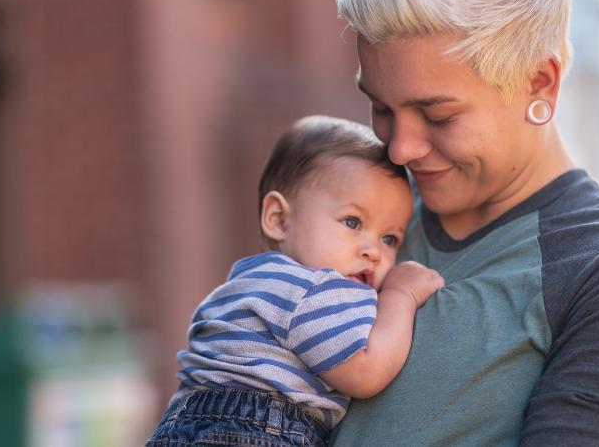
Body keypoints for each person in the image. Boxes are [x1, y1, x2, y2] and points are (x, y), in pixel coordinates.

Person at [329, 0, 599, 446]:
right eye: (381, 108)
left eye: (439, 116)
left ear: (539, 83)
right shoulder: (353, 218)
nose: (399, 150)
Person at [146, 115, 446, 447]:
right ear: (278, 219)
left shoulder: (246, 283)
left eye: (390, 239)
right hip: (256, 429)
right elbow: (366, 372)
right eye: (352, 221)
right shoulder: (310, 290)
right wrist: (400, 294)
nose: (372, 251)